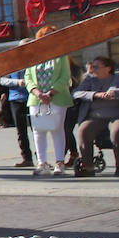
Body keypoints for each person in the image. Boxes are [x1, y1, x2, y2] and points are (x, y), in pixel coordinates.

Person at [73, 55, 119, 177]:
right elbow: (76, 93)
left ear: (108, 68)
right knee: (83, 131)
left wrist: (118, 92)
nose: (92, 69)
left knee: (118, 132)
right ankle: (88, 167)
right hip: (96, 116)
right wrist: (95, 95)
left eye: (96, 67)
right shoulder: (89, 80)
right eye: (92, 67)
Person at [24, 26, 71, 176]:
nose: (49, 37)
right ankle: (42, 163)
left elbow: (65, 76)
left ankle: (59, 162)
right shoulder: (33, 55)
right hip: (36, 99)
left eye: (52, 35)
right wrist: (38, 93)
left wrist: (50, 93)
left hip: (57, 97)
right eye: (45, 35)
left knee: (57, 129)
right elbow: (27, 77)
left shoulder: (61, 55)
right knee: (38, 131)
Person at [0, 60, 34, 167]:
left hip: (32, 98)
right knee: (21, 131)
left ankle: (42, 159)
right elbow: (2, 80)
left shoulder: (34, 62)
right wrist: (17, 82)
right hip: (16, 99)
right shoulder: (11, 64)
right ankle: (27, 158)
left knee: (37, 130)